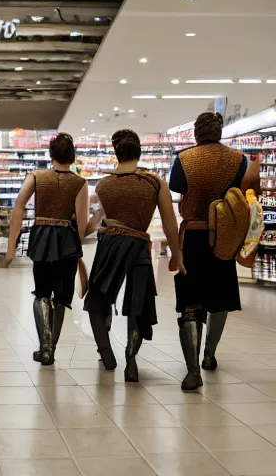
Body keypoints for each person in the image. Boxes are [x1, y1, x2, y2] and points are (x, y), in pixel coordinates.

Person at [84, 129, 185, 382]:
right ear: (139, 152)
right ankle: (131, 359)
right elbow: (170, 222)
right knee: (138, 304)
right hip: (139, 245)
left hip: (110, 246)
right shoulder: (155, 183)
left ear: (115, 153)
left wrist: (74, 238)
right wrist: (177, 254)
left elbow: (96, 221)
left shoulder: (103, 185)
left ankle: (106, 354)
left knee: (97, 301)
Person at [169, 112, 260, 391]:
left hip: (194, 236)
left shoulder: (184, 159)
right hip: (225, 236)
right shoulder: (239, 160)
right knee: (219, 296)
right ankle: (209, 355)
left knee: (190, 300)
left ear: (196, 132)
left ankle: (192, 370)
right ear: (220, 132)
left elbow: (176, 188)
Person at [2, 133, 88, 365]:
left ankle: (44, 346)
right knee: (61, 296)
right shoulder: (80, 183)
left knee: (41, 292)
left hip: (42, 237)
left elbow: (19, 204)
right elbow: (81, 221)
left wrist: (11, 246)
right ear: (72, 156)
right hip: (67, 241)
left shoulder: (36, 176)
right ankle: (52, 347)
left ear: (51, 154)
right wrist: (77, 250)